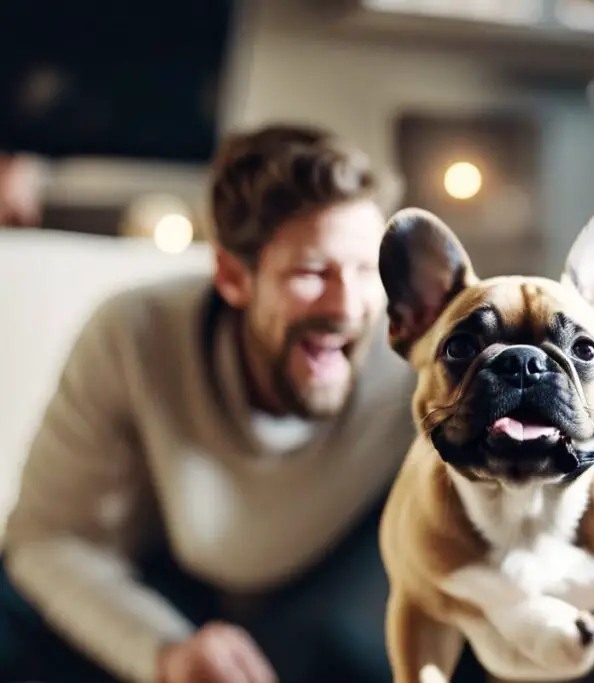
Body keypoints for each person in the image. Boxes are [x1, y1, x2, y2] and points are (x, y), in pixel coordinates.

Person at [0, 123, 459, 683]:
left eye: (367, 271)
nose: (349, 307)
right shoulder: (132, 334)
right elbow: (46, 538)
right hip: (171, 596)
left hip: (335, 617)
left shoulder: (430, 363)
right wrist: (163, 651)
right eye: (313, 273)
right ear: (233, 277)